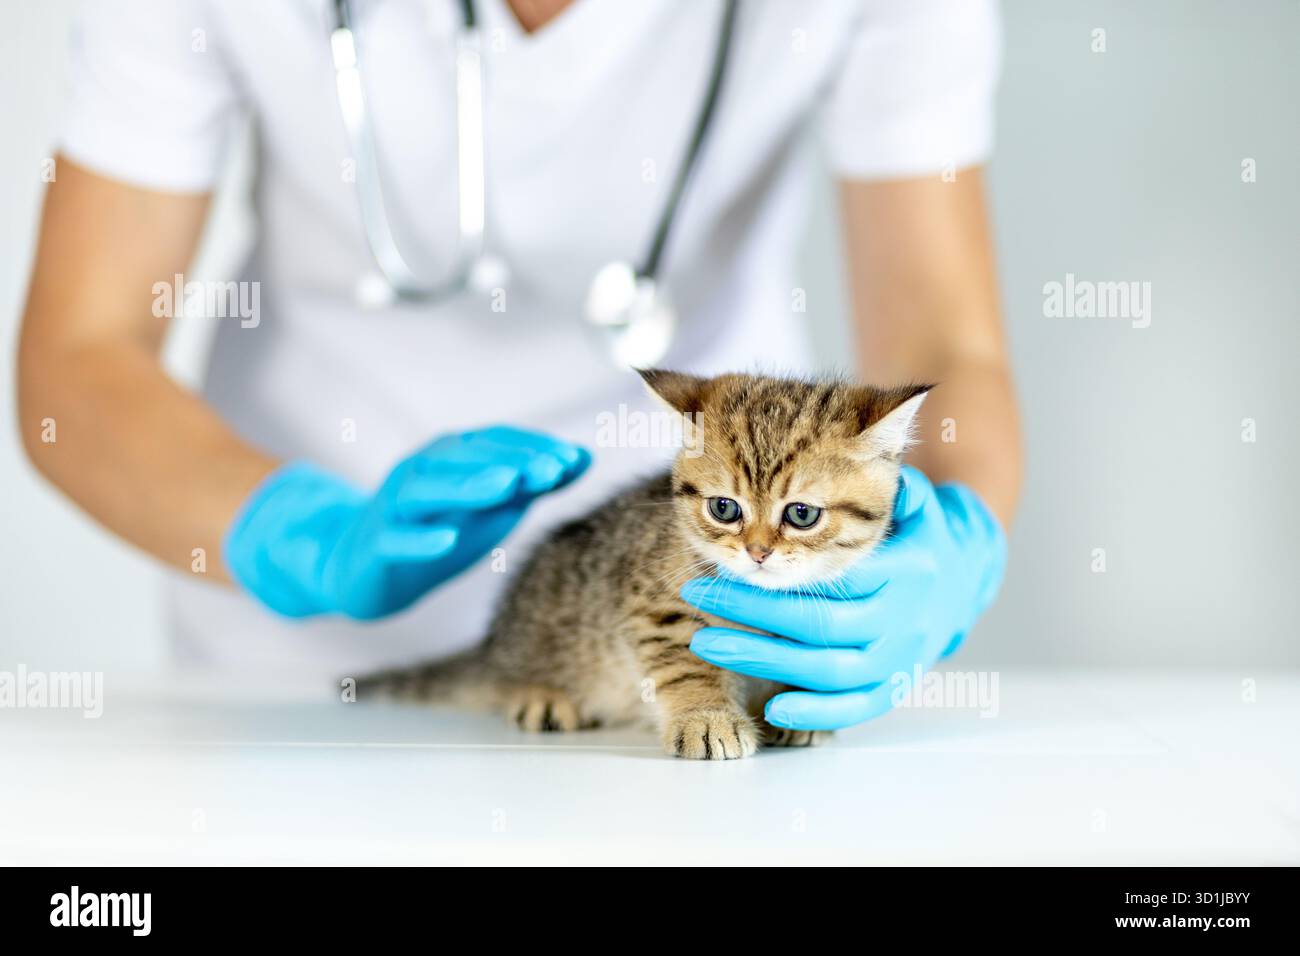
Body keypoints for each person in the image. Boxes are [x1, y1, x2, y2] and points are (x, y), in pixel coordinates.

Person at [17, 0, 1020, 732]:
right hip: (282, 655)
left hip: (751, 615)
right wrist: (299, 533)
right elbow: (78, 350)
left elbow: (945, 346)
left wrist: (949, 547)